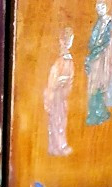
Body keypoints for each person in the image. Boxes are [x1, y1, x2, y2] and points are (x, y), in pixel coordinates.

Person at [43, 28, 74, 156]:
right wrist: (56, 85)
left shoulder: (68, 60)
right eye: (66, 40)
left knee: (61, 119)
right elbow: (52, 79)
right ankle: (56, 146)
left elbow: (71, 78)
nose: (67, 43)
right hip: (55, 94)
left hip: (62, 95)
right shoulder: (58, 60)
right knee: (55, 120)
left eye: (70, 40)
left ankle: (60, 145)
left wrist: (65, 84)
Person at [84, 1, 112, 126]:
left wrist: (96, 49)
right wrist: (92, 49)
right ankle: (93, 112)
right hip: (95, 55)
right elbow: (92, 39)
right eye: (98, 8)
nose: (100, 10)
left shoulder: (108, 22)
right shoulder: (97, 23)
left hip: (102, 56)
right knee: (93, 82)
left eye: (102, 7)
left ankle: (100, 110)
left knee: (100, 81)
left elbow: (105, 40)